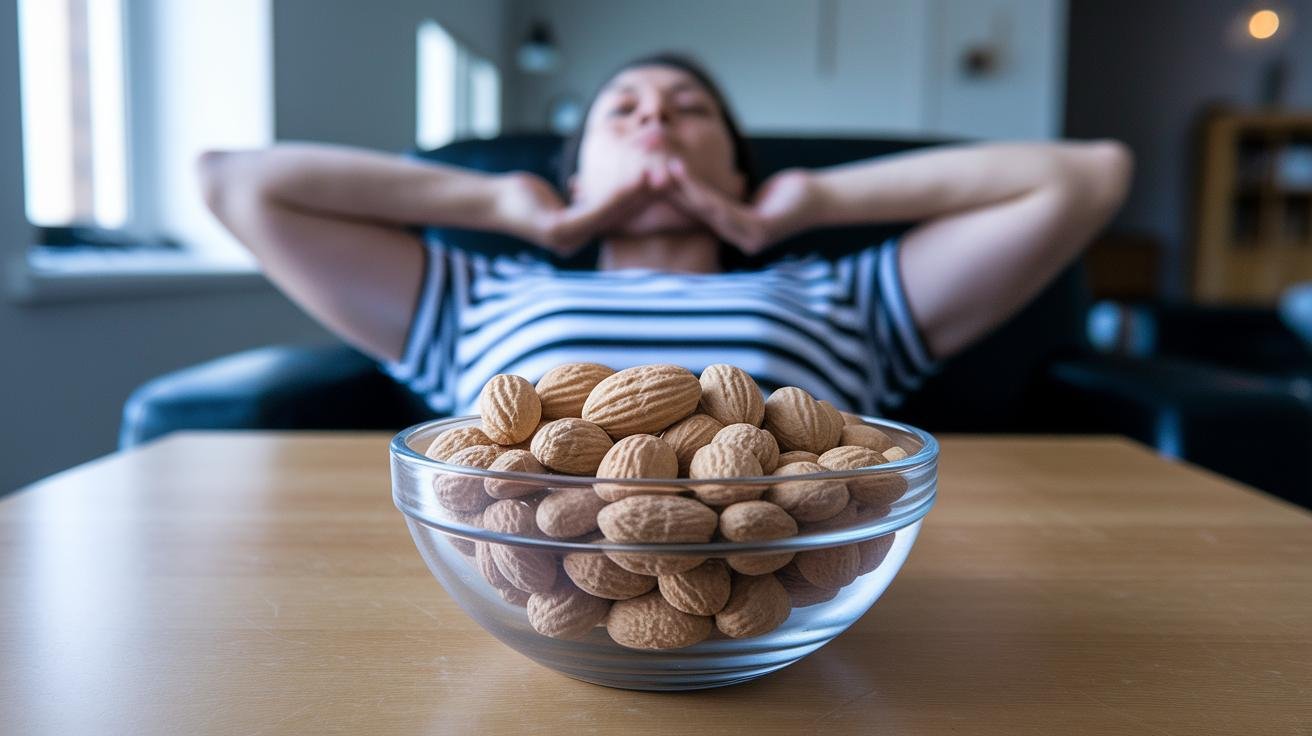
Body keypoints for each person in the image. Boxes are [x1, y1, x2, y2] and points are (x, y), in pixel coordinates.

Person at [198, 53, 1132, 418]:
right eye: (624, 113)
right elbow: (233, 182)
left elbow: (1087, 176)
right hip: (539, 603)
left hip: (778, 603)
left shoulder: (839, 296)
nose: (657, 124)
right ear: (574, 173)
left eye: (690, 112)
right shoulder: (475, 297)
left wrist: (805, 202)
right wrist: (505, 209)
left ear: (737, 170)